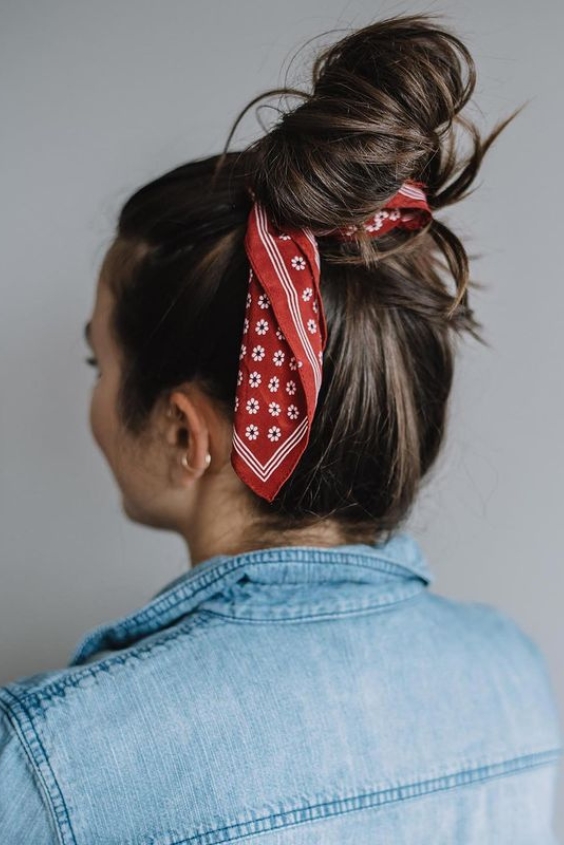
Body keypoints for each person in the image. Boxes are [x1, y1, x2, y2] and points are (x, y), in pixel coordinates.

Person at [0, 11, 561, 844]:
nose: (90, 394)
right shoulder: (514, 674)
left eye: (99, 366)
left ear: (186, 434)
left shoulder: (53, 763)